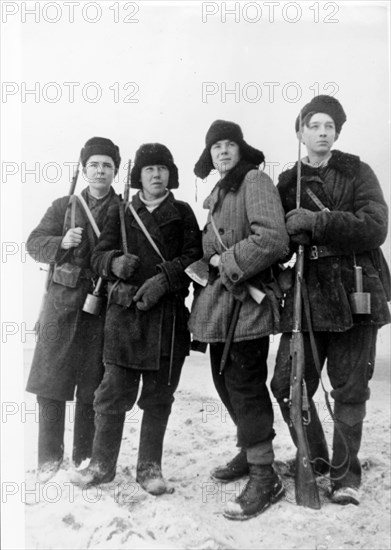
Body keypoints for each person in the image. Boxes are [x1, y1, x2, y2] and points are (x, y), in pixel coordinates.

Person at [271, 95, 390, 506]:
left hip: (355, 289)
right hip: (305, 294)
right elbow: (274, 238)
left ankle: (345, 476)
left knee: (350, 388)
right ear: (301, 132)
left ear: (337, 132)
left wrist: (318, 222)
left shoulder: (357, 171)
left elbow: (376, 226)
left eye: (329, 126)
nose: (322, 132)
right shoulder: (287, 182)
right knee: (286, 383)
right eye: (314, 125)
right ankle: (316, 458)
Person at [72, 143, 202, 495]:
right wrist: (113, 262)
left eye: (162, 168)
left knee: (159, 396)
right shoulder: (122, 211)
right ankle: (101, 466)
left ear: (170, 174)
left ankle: (149, 468)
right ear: (138, 176)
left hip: (167, 317)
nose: (156, 175)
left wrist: (166, 278)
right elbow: (96, 255)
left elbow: (197, 258)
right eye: (149, 169)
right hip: (125, 315)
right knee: (112, 393)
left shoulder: (184, 212)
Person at [188, 120, 290, 520]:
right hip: (220, 304)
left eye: (230, 145)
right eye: (216, 147)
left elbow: (272, 240)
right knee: (222, 379)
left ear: (241, 149)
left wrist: (224, 261)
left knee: (244, 384)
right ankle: (251, 451)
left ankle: (266, 476)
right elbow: (213, 243)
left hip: (248, 301)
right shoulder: (217, 192)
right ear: (209, 155)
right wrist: (207, 260)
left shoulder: (254, 182)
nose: (223, 152)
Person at [26, 137, 121, 482]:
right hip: (60, 305)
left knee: (91, 383)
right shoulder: (64, 205)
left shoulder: (122, 210)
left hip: (99, 306)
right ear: (84, 170)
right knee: (50, 381)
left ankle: (83, 455)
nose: (99, 171)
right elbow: (33, 243)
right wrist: (60, 243)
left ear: (115, 172)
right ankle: (49, 457)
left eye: (107, 165)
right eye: (94, 164)